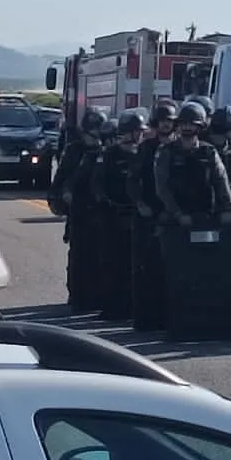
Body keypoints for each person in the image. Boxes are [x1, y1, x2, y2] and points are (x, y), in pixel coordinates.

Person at [128, 100, 179, 331]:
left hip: (174, 216)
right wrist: (140, 203)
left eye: (169, 121)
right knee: (146, 268)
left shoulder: (182, 147)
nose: (165, 125)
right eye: (162, 121)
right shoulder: (145, 149)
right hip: (148, 214)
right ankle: (146, 318)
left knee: (173, 268)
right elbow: (133, 181)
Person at [92, 109, 146, 320]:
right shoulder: (108, 156)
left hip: (136, 216)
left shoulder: (144, 154)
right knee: (112, 264)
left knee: (137, 264)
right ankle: (112, 306)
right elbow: (97, 185)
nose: (140, 135)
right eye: (137, 132)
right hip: (112, 218)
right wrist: (106, 203)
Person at [154, 101, 231, 225]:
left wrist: (227, 208)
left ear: (199, 127)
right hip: (175, 215)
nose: (187, 128)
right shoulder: (166, 152)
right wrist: (178, 214)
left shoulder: (209, 151)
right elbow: (162, 188)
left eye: (191, 124)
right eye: (183, 124)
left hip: (206, 213)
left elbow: (221, 180)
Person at [63, 107, 109, 313]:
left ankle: (99, 296)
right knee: (79, 255)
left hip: (100, 211)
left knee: (100, 254)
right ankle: (77, 296)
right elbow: (62, 180)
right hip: (80, 210)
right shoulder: (74, 151)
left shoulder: (106, 151)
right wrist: (65, 195)